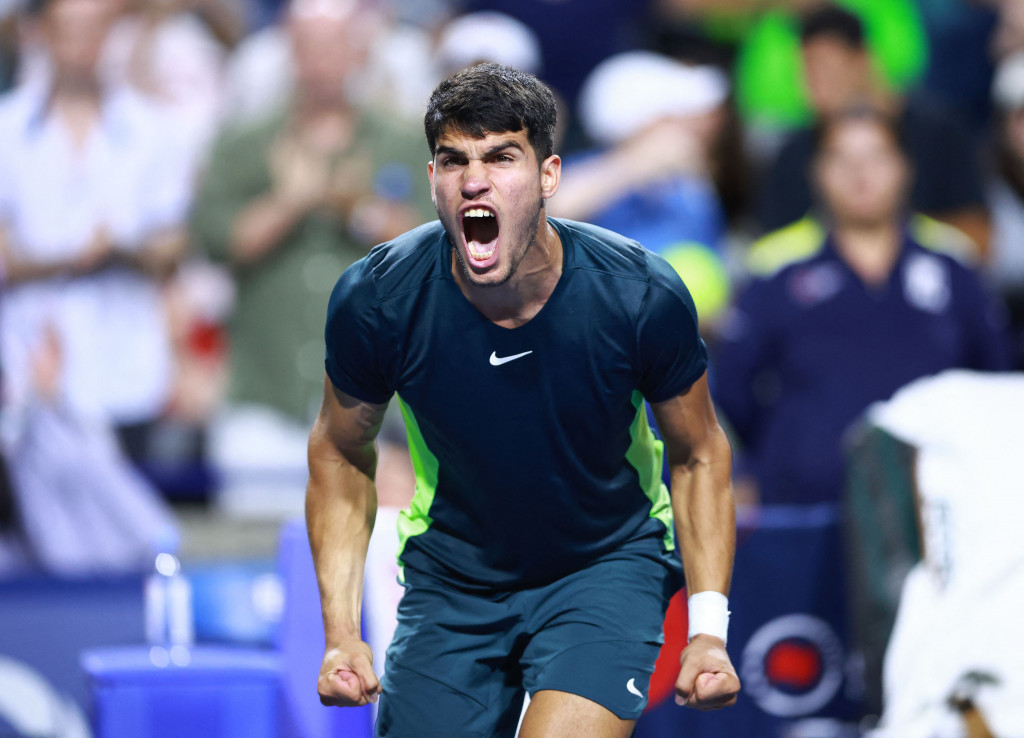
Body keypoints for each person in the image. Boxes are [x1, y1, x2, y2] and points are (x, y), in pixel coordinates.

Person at [307, 63, 740, 737]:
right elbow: (340, 451)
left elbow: (698, 453)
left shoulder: (638, 294)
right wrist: (341, 632)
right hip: (452, 578)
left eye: (501, 157)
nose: (473, 180)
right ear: (432, 182)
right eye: (453, 161)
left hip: (604, 566)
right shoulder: (379, 299)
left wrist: (708, 632)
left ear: (549, 176)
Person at [714, 106, 1012, 508]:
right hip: (805, 512)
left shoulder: (953, 266)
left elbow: (998, 383)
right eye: (842, 158)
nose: (860, 174)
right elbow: (730, 393)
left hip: (940, 509)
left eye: (876, 156)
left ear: (905, 167)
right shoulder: (776, 270)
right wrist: (742, 472)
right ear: (817, 171)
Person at [0, 0, 191, 461]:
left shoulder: (153, 129)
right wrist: (77, 257)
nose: (82, 45)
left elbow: (173, 244)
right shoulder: (7, 127)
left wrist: (120, 252)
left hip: (124, 370)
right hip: (28, 369)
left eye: (95, 30)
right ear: (42, 32)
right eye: (70, 29)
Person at [755, 4, 990, 253]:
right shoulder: (794, 153)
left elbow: (979, 236)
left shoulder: (939, 133)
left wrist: (885, 236)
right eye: (806, 73)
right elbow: (770, 253)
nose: (815, 88)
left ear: (863, 60)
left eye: (826, 69)